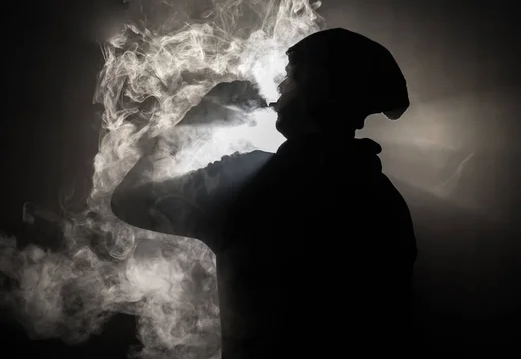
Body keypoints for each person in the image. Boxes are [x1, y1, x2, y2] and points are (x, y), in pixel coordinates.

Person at [112, 28, 417, 358]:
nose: (280, 89)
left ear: (315, 91)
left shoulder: (247, 183)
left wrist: (200, 117)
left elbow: (128, 200)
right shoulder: (385, 200)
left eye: (290, 78)